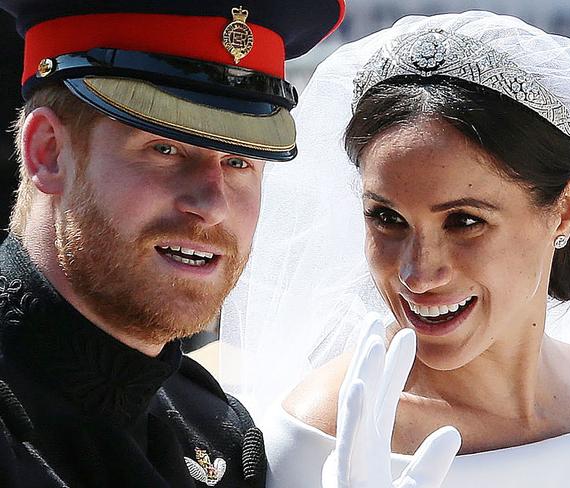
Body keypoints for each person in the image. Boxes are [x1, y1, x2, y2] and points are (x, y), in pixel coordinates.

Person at [219, 11, 570, 486]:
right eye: (387, 218)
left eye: (465, 222)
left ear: (566, 210)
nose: (418, 274)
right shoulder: (318, 442)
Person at [0, 0, 346, 486]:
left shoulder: (221, 435)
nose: (213, 204)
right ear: (48, 153)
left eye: (240, 161)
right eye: (165, 148)